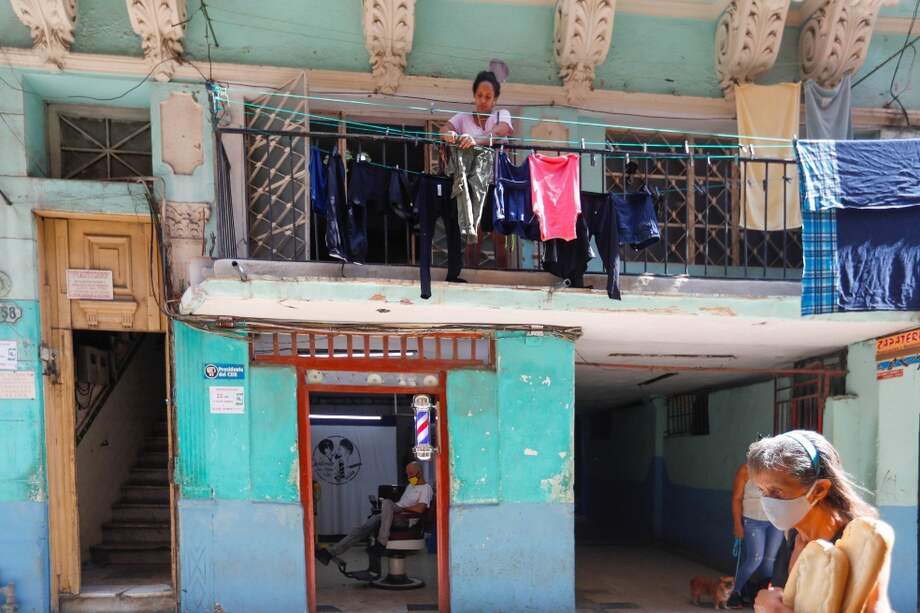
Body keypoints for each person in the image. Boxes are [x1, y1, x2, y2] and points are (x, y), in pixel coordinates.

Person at [748, 430, 891, 613]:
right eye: (762, 491)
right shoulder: (792, 533)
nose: (768, 501)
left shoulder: (861, 546)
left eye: (776, 491)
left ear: (819, 490)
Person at [315, 461, 433, 565]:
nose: (408, 476)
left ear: (419, 473)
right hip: (396, 515)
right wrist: (393, 509)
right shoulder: (411, 486)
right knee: (361, 529)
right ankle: (329, 553)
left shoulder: (426, 488)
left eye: (411, 474)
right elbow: (403, 503)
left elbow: (420, 509)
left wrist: (398, 508)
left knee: (387, 502)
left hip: (407, 519)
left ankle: (381, 543)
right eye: (407, 474)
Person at [728, 458, 784, 608]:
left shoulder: (778, 470)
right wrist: (737, 524)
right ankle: (735, 593)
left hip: (775, 522)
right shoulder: (745, 470)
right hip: (753, 521)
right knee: (755, 558)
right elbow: (736, 498)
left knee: (769, 560)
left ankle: (760, 595)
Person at [441, 70, 513, 149]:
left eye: (488, 97)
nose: (483, 101)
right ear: (474, 96)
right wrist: (449, 134)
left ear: (494, 100)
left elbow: (498, 133)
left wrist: (475, 141)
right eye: (479, 95)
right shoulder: (463, 118)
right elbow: (444, 129)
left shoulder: (501, 114)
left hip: (497, 162)